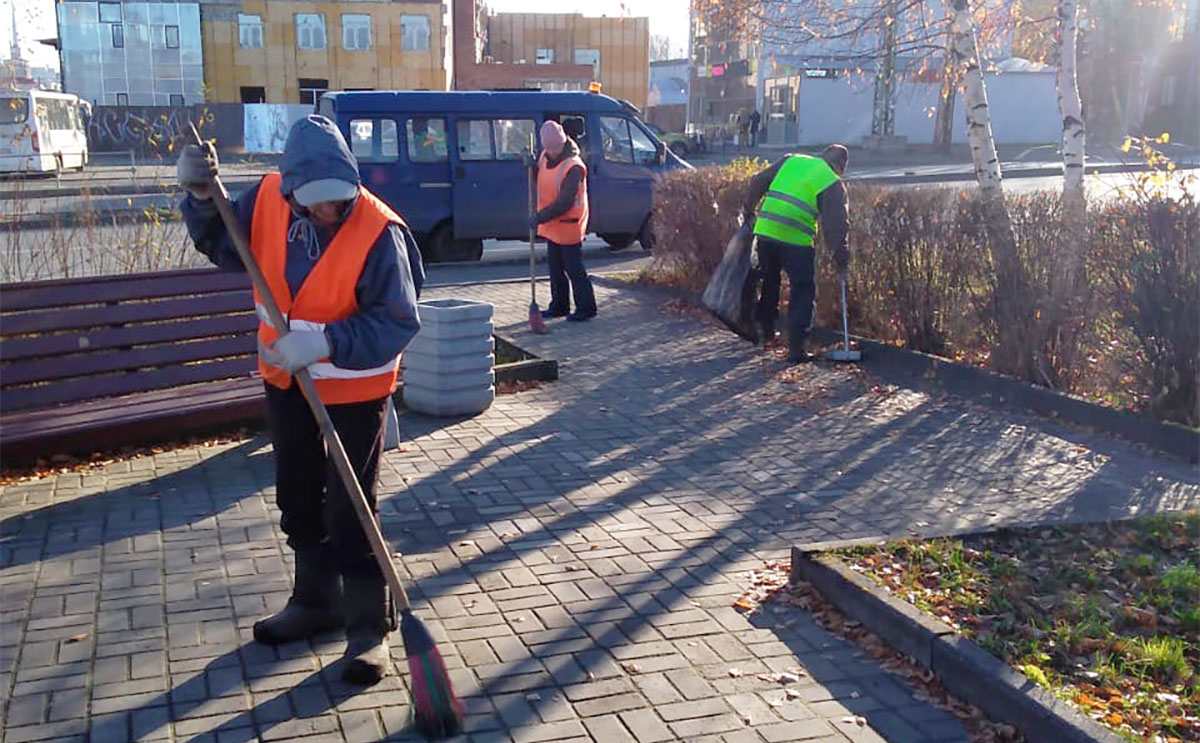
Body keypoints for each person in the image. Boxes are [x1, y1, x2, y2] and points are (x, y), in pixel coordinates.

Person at [176, 115, 425, 686]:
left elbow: (397, 321)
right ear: (289, 191)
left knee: (350, 507)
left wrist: (325, 342)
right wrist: (198, 195)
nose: (326, 212)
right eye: (312, 203)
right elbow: (222, 244)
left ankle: (367, 628)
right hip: (285, 378)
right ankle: (315, 603)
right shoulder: (264, 199)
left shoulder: (379, 232)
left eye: (336, 201)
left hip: (355, 387)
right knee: (296, 496)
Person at [742, 144, 850, 362]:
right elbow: (836, 225)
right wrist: (841, 258)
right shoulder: (831, 181)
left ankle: (766, 334)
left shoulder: (792, 160)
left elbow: (757, 181)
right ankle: (796, 349)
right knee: (803, 289)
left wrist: (748, 210)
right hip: (796, 239)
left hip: (766, 231)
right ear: (840, 166)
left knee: (770, 283)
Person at [531, 119, 597, 322]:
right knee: (556, 268)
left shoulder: (574, 167)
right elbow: (542, 176)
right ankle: (559, 305)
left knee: (573, 268)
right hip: (551, 225)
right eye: (549, 149)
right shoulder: (544, 156)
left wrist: (540, 217)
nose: (552, 152)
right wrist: (530, 167)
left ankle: (587, 308)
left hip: (569, 223)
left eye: (556, 148)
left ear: (563, 142)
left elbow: (565, 202)